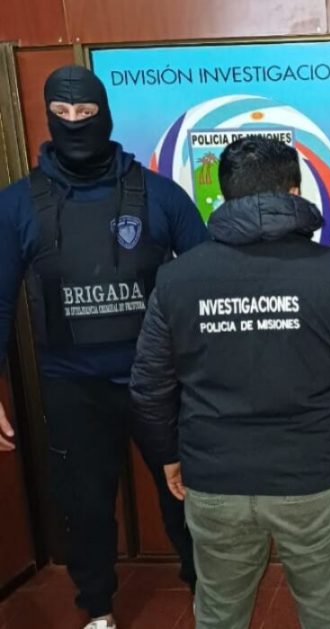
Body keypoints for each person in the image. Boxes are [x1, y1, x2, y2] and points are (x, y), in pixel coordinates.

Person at [129, 136, 330, 629]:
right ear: (294, 191)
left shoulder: (178, 279)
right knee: (328, 618)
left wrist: (168, 454)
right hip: (309, 482)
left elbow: (148, 387)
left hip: (214, 479)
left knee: (219, 617)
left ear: (225, 195)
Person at [0, 65, 205, 629]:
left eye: (86, 113)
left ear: (105, 115)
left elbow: (210, 278)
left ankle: (210, 596)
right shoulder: (17, 205)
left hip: (158, 381)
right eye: (61, 114)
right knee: (84, 505)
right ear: (48, 117)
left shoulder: (160, 196)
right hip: (72, 386)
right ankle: (98, 610)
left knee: (187, 496)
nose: (74, 124)